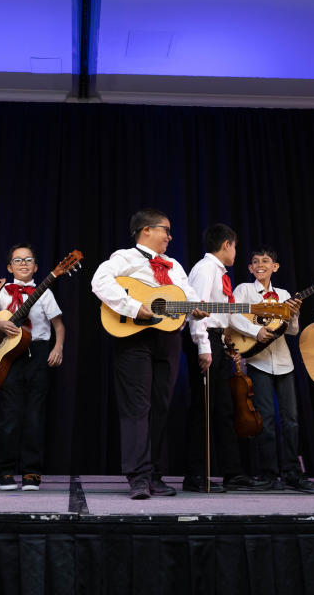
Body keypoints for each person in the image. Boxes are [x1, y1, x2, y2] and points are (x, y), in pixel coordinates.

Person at [90, 208, 208, 499]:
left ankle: (153, 472)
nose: (169, 236)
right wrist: (133, 307)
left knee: (161, 406)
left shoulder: (174, 266)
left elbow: (187, 298)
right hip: (134, 338)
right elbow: (99, 282)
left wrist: (198, 315)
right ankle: (138, 476)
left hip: (168, 339)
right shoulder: (125, 258)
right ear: (146, 231)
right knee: (137, 408)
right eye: (165, 230)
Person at [183, 224, 268, 492]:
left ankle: (232, 472)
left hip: (218, 340)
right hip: (205, 339)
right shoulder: (205, 269)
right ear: (227, 244)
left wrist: (256, 331)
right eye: (235, 247)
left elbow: (227, 313)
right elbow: (196, 308)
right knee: (203, 409)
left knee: (223, 408)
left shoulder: (220, 273)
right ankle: (195, 475)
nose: (235, 252)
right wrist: (203, 347)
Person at [0, 243, 64, 491]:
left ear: (36, 266)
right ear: (9, 266)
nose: (23, 264)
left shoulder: (44, 292)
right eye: (18, 260)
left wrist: (57, 348)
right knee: (10, 415)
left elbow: (58, 325)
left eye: (29, 260)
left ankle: (31, 471)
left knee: (35, 415)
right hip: (8, 356)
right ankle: (4, 470)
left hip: (37, 353)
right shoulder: (0, 293)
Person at [229, 247, 312, 490]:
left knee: (291, 420)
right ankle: (268, 473)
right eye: (255, 262)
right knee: (264, 419)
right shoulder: (244, 290)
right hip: (258, 362)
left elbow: (293, 331)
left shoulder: (284, 294)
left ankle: (292, 471)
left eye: (266, 261)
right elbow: (233, 315)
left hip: (284, 363)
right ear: (250, 269)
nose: (260, 264)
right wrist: (257, 331)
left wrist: (294, 316)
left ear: (275, 266)